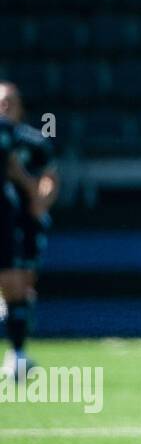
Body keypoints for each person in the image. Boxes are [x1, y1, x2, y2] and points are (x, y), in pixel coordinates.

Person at [0, 82, 57, 381]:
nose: (5, 106)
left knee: (22, 286)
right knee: (11, 285)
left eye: (11, 101)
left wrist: (41, 202)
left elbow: (49, 177)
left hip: (22, 223)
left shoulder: (32, 141)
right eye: (1, 101)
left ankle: (17, 353)